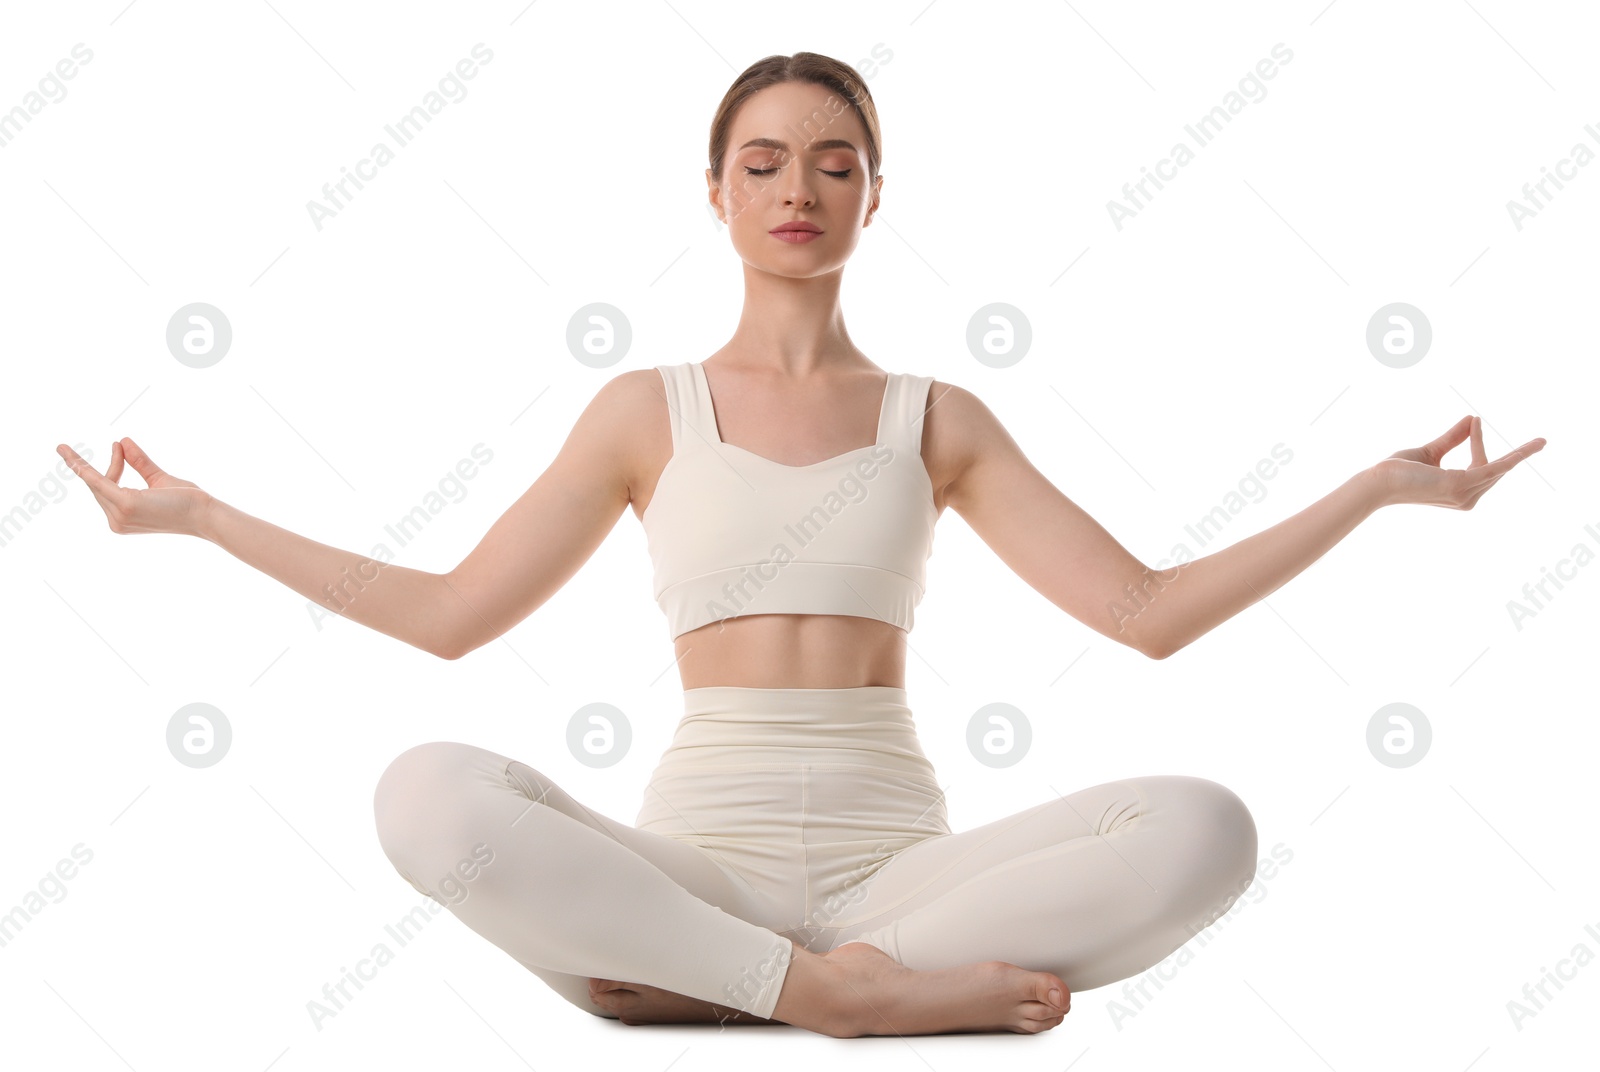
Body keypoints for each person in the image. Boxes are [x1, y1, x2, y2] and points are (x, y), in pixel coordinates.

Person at [56, 52, 1546, 1040]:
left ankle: (749, 992)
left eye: (835, 164)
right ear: (715, 195)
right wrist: (198, 517)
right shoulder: (646, 411)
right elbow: (452, 615)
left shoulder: (935, 416)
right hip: (695, 866)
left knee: (1207, 823)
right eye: (763, 163)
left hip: (913, 880)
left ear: (874, 199)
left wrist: (1370, 495)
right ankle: (827, 1000)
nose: (797, 191)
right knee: (427, 793)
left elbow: (1143, 611)